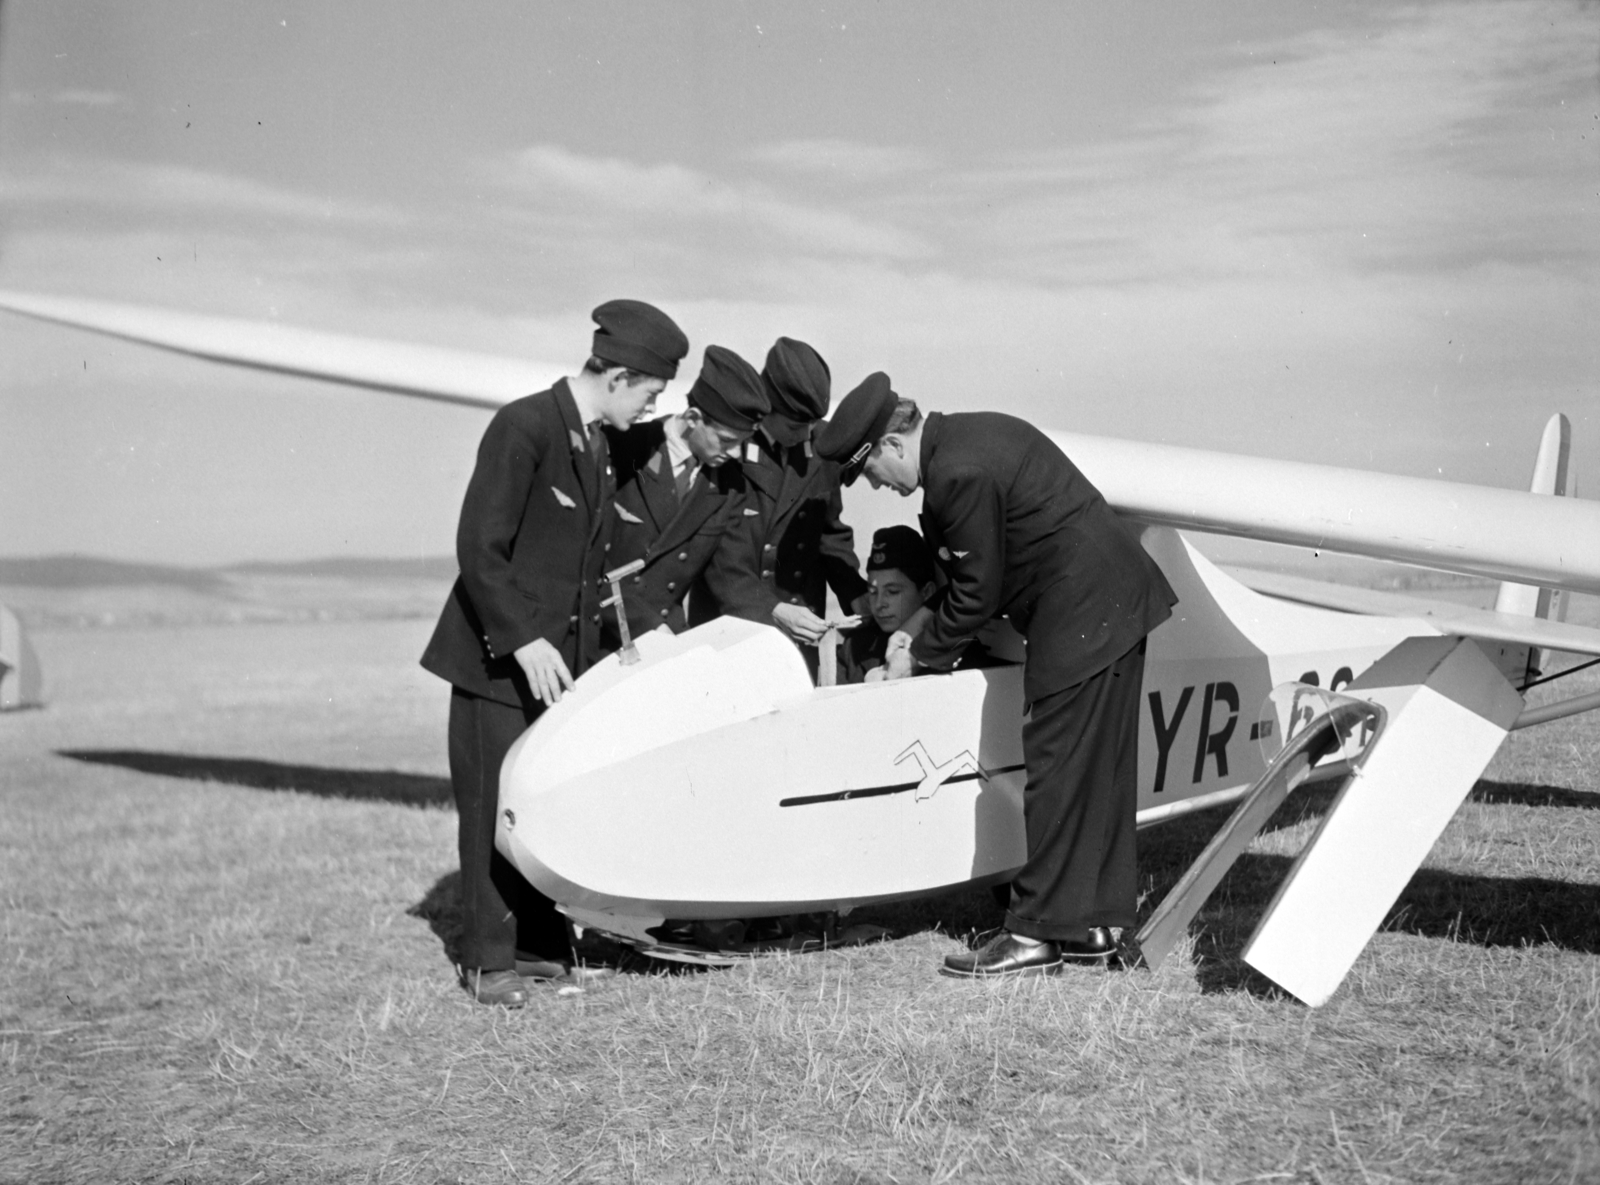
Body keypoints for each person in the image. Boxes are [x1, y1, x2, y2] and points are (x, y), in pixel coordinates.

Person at [816, 374, 1178, 978]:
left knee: (1057, 764)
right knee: (1099, 770)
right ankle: (1089, 925)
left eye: (873, 473)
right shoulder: (968, 439)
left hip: (1083, 610)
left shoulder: (956, 472)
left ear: (891, 446)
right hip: (1113, 602)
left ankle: (1033, 936)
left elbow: (975, 594)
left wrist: (916, 653)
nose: (882, 486)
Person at [420, 299, 688, 1007]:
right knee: (488, 810)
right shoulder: (523, 426)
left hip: (551, 668)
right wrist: (522, 639)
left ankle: (539, 949)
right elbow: (480, 548)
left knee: (536, 809)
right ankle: (488, 962)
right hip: (494, 665)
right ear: (622, 376)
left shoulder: (594, 440)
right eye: (652, 392)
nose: (653, 406)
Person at [704, 338, 869, 675]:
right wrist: (773, 608)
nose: (807, 435)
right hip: (735, 623)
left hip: (800, 630)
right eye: (796, 426)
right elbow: (718, 556)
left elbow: (830, 534)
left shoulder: (821, 445)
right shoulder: (726, 447)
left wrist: (859, 598)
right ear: (766, 407)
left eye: (811, 424)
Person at [600, 345, 769, 647]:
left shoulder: (729, 482)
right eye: (727, 440)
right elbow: (589, 564)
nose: (734, 454)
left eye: (742, 443)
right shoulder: (621, 448)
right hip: (606, 636)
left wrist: (770, 636)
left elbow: (732, 577)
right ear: (693, 417)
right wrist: (649, 629)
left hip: (667, 639)